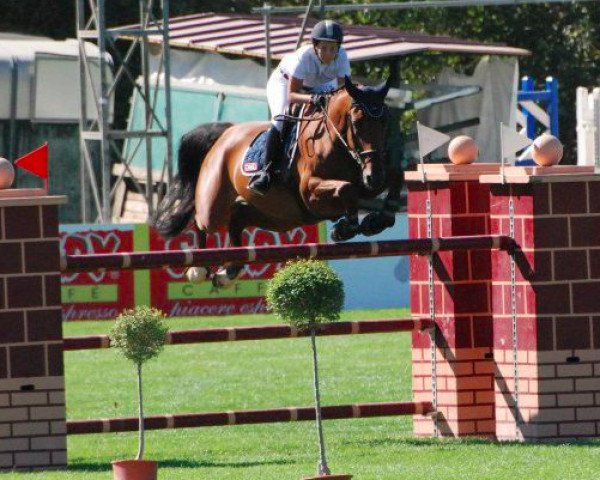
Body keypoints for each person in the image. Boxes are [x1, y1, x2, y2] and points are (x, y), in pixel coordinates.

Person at [248, 20, 351, 196]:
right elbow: (292, 95)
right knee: (280, 119)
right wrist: (313, 99)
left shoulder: (342, 57)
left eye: (333, 48)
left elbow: (343, 92)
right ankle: (265, 171)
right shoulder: (303, 58)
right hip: (284, 84)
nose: (328, 53)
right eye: (324, 48)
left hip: (320, 86)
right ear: (315, 46)